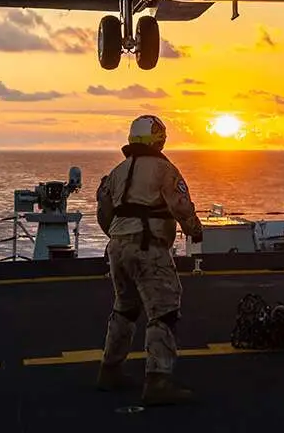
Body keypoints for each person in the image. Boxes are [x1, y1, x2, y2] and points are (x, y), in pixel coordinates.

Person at [93, 114, 203, 405]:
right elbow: (181, 206)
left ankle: (109, 370)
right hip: (149, 248)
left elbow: (103, 210)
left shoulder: (117, 171)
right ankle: (158, 380)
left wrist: (117, 236)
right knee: (164, 311)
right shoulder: (165, 170)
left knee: (124, 309)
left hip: (118, 247)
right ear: (159, 138)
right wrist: (195, 230)